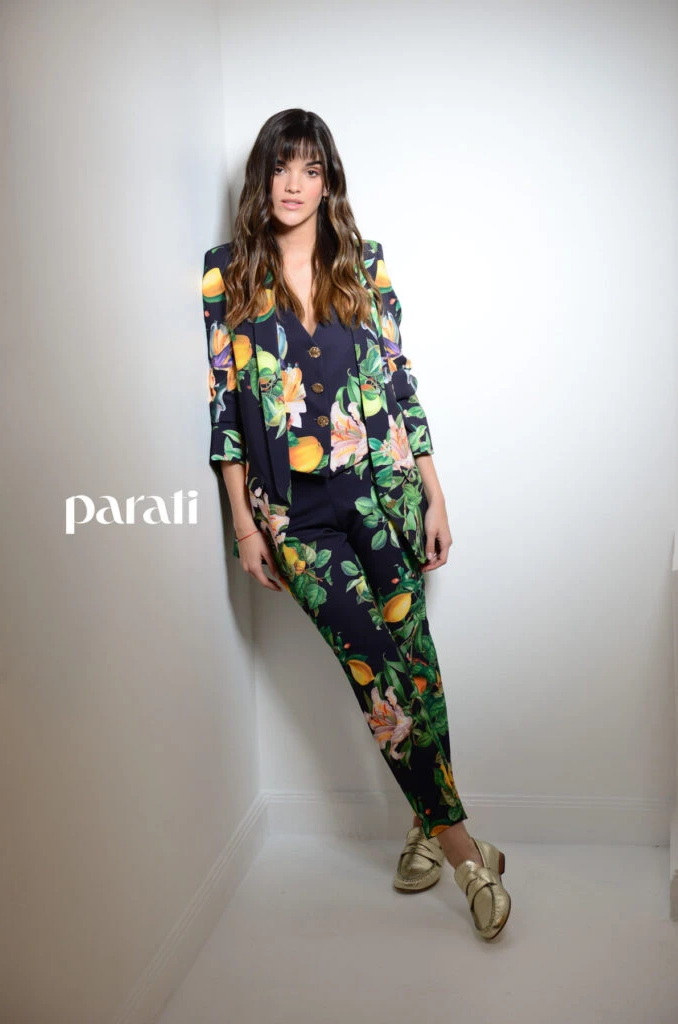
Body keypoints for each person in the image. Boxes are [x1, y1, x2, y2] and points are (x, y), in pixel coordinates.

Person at [201, 108, 511, 940]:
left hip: (383, 496)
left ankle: (421, 827)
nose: (293, 184)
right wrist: (244, 525)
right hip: (296, 517)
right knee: (375, 675)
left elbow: (399, 382)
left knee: (416, 664)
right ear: (261, 177)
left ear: (328, 181)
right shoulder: (226, 275)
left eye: (310, 169)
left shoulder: (363, 265)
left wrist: (434, 492)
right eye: (280, 167)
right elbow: (225, 405)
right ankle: (466, 855)